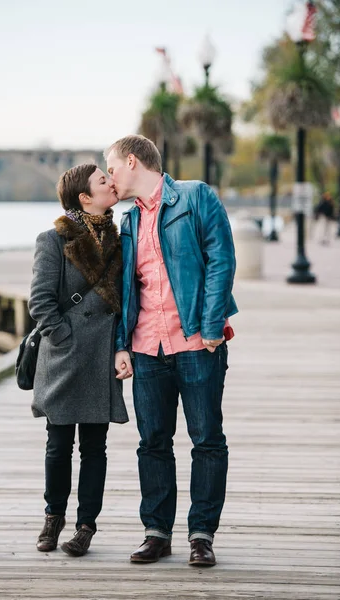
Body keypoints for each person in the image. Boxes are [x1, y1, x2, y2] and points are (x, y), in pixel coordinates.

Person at [105, 134, 237, 567]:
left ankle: (202, 534)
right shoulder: (128, 222)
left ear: (131, 161)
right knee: (153, 443)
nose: (109, 178)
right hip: (146, 348)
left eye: (111, 168)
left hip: (197, 342)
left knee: (207, 440)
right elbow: (126, 289)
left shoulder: (196, 197)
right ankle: (156, 532)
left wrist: (213, 323)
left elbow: (221, 258)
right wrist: (122, 344)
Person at [28, 163, 128, 557]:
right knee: (58, 445)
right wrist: (64, 337)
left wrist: (120, 346)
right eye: (104, 181)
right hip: (66, 357)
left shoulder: (121, 239)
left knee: (95, 447)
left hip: (101, 355)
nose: (112, 183)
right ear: (85, 197)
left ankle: (86, 526)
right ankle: (53, 518)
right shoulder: (52, 239)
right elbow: (40, 302)